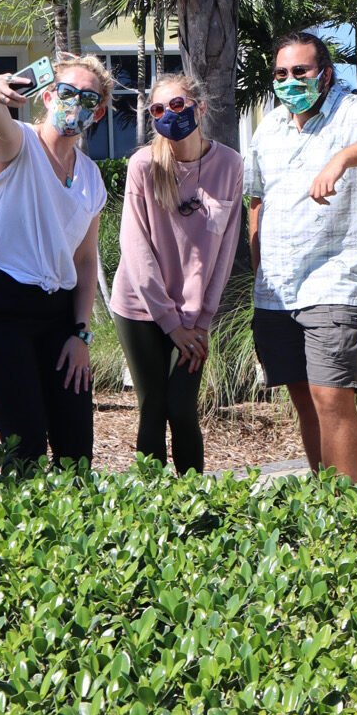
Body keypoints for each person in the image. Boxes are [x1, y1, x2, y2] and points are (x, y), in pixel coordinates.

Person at [244, 31, 357, 481]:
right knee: (303, 399)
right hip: (277, 290)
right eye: (281, 73)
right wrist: (257, 264)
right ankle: (324, 497)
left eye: (300, 72)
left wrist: (343, 157)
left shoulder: (352, 112)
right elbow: (256, 198)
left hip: (336, 280)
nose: (290, 81)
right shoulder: (269, 126)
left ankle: (345, 512)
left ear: (324, 74)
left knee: (333, 398)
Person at [0, 54, 112, 468]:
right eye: (67, 92)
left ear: (97, 113)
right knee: (25, 451)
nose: (75, 103)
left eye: (88, 99)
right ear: (47, 96)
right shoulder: (19, 144)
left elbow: (84, 260)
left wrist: (81, 334)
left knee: (76, 453)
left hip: (57, 316)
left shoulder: (91, 178)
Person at [109, 71, 244, 472]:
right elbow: (135, 248)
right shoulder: (144, 164)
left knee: (183, 409)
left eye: (178, 105)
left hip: (193, 314)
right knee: (152, 408)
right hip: (140, 308)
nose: (169, 115)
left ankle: (193, 506)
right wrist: (171, 323)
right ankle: (152, 511)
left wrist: (201, 321)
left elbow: (225, 251)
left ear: (200, 107)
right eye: (159, 109)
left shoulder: (229, 164)